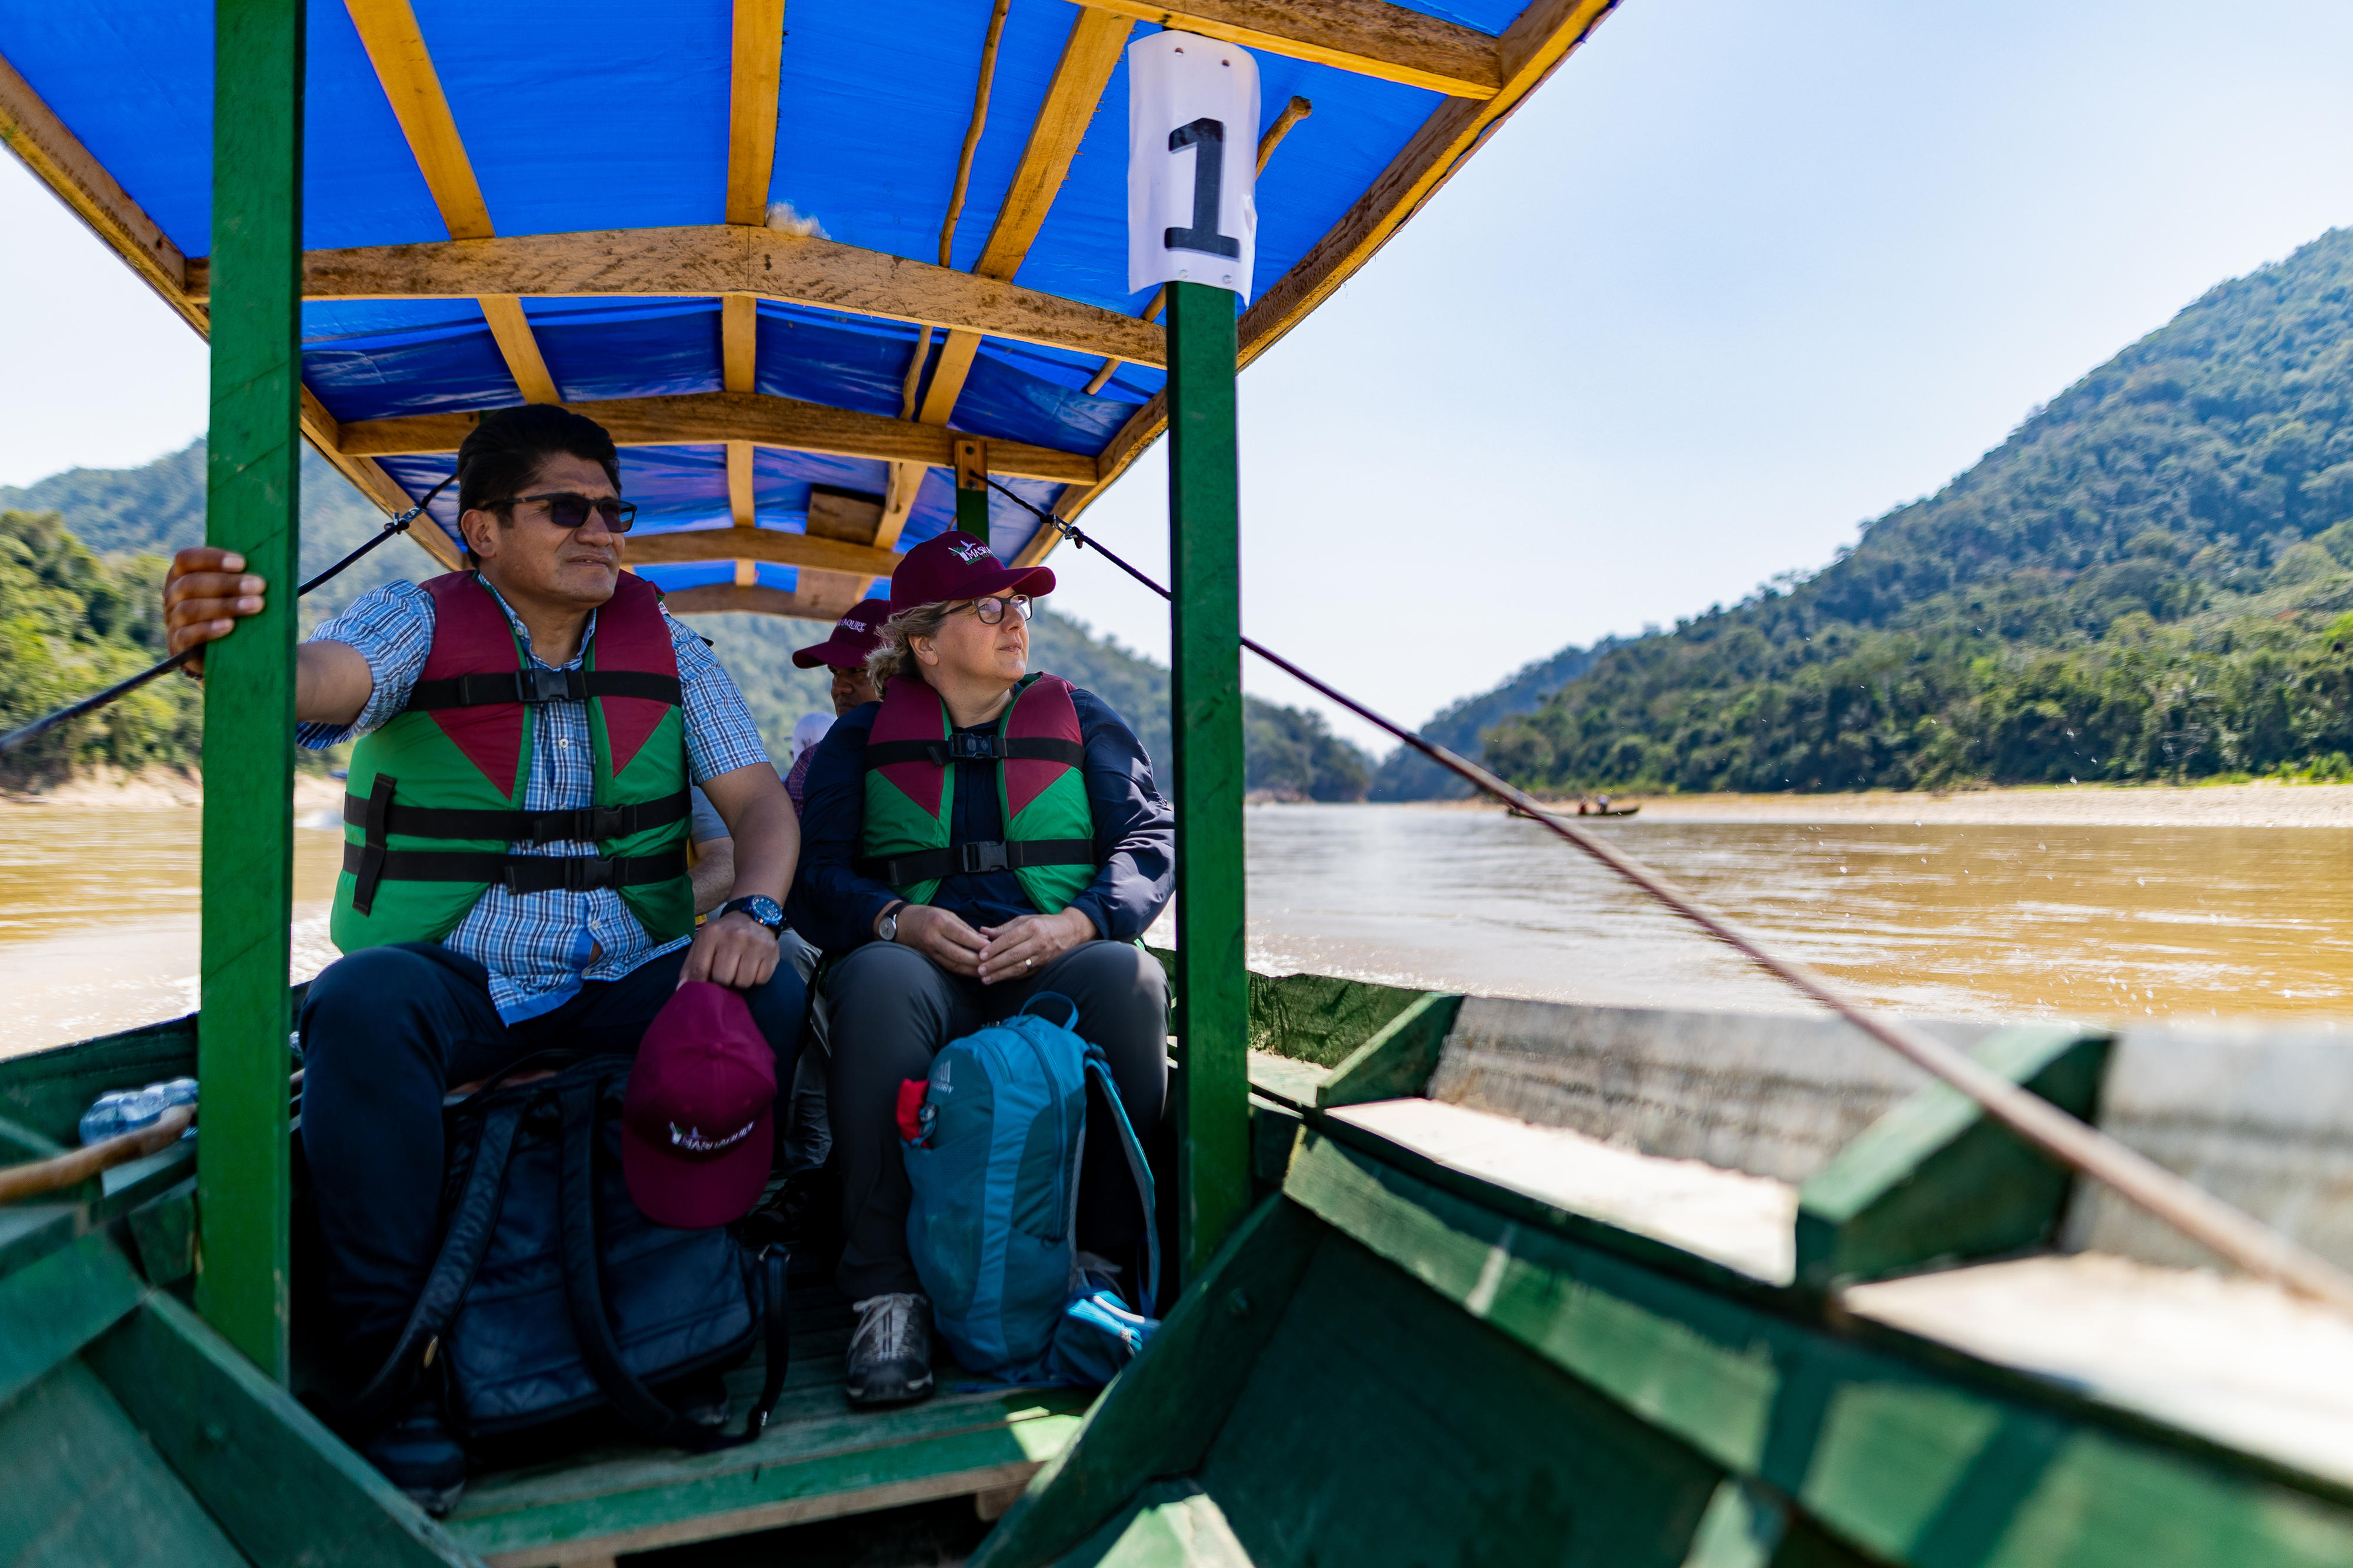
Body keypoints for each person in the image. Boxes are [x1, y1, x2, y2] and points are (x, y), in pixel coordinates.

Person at [161, 404, 807, 1511]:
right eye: (569, 507)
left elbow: (762, 807)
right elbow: (323, 678)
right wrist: (234, 644)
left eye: (616, 510)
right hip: (464, 982)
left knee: (774, 983)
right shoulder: (415, 623)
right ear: (481, 529)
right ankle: (389, 1373)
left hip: (622, 974)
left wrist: (751, 910)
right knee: (360, 1001)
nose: (603, 530)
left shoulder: (672, 648)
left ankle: (701, 1299)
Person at [788, 531, 1173, 1408]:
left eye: (1022, 606)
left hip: (1048, 969)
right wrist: (897, 919)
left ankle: (1098, 1271)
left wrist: (1080, 922)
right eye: (991, 607)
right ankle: (886, 1294)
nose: (1016, 623)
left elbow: (1151, 837)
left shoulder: (1085, 717)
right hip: (927, 980)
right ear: (924, 641)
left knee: (1130, 979)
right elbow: (816, 873)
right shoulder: (861, 739)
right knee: (878, 981)